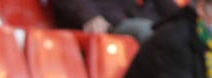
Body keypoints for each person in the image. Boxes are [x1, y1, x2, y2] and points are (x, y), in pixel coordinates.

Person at [52, 0, 181, 41]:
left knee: (184, 32)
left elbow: (170, 9)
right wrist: (90, 16)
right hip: (110, 24)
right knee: (145, 30)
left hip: (150, 21)